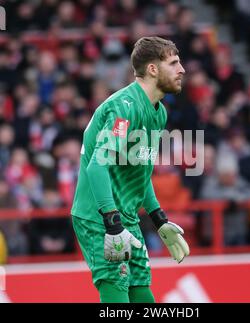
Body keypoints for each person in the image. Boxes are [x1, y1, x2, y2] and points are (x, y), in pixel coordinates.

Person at [71, 36, 190, 303]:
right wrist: (112, 223)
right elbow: (97, 165)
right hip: (100, 216)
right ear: (152, 69)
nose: (182, 69)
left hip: (126, 217)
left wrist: (158, 218)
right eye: (174, 63)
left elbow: (140, 172)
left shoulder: (158, 113)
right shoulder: (123, 108)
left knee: (143, 295)